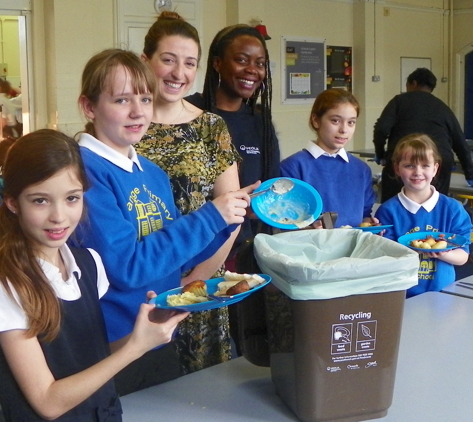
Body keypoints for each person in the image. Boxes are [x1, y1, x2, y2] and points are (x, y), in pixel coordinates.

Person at [72, 48, 257, 394]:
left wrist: (227, 218)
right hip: (113, 347)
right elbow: (126, 267)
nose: (138, 111)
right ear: (89, 107)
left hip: (158, 334)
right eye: (122, 100)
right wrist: (208, 217)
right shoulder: (83, 171)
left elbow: (177, 259)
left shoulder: (152, 173)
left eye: (144, 98)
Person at [0, 129, 189, 421]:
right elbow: (48, 402)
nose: (59, 216)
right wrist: (134, 350)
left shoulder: (89, 264)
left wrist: (143, 335)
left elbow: (95, 355)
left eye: (72, 198)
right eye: (40, 200)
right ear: (13, 202)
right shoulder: (6, 289)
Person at [136, 12, 242, 374]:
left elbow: (233, 214)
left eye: (189, 63)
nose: (178, 73)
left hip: (200, 285)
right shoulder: (125, 125)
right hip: (138, 283)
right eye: (168, 59)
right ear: (145, 61)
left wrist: (191, 283)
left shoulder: (212, 127)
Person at [185, 24, 281, 267]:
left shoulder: (260, 123)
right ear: (217, 63)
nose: (252, 70)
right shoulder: (189, 114)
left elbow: (271, 188)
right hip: (192, 252)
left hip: (245, 256)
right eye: (241, 60)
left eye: (260, 63)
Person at [375, 133, 470, 297]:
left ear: (435, 169)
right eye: (409, 166)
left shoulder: (453, 209)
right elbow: (387, 258)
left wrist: (444, 253)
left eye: (425, 165)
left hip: (444, 294)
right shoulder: (388, 211)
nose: (417, 172)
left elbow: (463, 257)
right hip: (402, 295)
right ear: (397, 168)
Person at [281, 88, 377, 228]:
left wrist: (371, 225)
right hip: (310, 247)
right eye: (335, 121)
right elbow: (285, 220)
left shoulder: (361, 169)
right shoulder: (293, 167)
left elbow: (365, 214)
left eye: (351, 122)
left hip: (354, 247)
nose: (344, 130)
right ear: (316, 121)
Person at [373, 67, 473, 202]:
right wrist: (469, 174)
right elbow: (460, 142)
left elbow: (381, 129)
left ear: (413, 83)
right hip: (437, 163)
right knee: (436, 206)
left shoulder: (399, 101)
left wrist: (381, 154)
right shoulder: (442, 107)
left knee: (394, 205)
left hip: (403, 159)